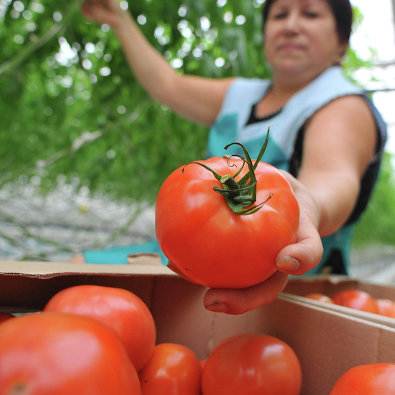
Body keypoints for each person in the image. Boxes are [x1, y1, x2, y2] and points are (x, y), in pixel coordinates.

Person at [76, 0, 387, 314]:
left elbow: (333, 179)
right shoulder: (242, 95)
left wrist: (310, 206)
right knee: (78, 275)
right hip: (191, 262)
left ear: (342, 42)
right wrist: (119, 19)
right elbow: (168, 85)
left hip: (288, 283)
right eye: (280, 15)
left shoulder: (341, 105)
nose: (291, 25)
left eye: (310, 14)